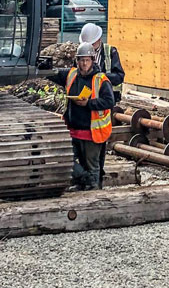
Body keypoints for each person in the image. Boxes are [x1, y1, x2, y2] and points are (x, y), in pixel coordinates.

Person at [49, 49, 115, 190]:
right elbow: (54, 74)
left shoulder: (100, 80)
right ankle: (84, 181)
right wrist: (44, 68)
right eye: (81, 60)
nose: (84, 63)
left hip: (92, 132)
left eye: (87, 60)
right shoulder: (72, 74)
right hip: (73, 130)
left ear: (92, 60)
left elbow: (109, 101)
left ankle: (93, 189)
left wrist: (89, 103)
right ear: (77, 61)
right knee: (67, 159)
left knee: (92, 165)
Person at [77, 22, 125, 186]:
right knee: (86, 143)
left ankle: (97, 176)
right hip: (85, 103)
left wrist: (100, 77)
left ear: (98, 40)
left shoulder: (109, 52)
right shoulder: (82, 54)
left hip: (104, 103)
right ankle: (89, 176)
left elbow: (119, 76)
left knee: (100, 140)